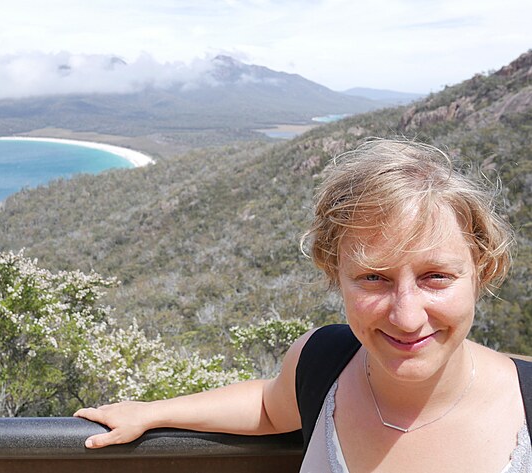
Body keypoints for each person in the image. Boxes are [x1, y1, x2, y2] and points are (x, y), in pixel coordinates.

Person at [74, 139, 531, 472]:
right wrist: (153, 411)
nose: (407, 316)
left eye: (436, 277)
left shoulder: (523, 407)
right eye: (373, 278)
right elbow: (271, 406)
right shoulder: (323, 363)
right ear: (337, 276)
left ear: (483, 272)